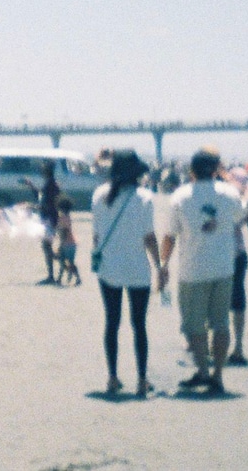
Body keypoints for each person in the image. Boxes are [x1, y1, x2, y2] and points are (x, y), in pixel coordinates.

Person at [155, 147, 244, 395]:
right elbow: (240, 217)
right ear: (216, 169)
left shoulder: (181, 196)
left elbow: (170, 236)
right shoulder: (230, 193)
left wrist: (163, 265)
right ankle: (217, 374)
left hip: (193, 270)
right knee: (221, 323)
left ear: (191, 171)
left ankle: (203, 371)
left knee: (194, 325)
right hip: (224, 267)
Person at [91, 150, 159, 398]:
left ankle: (112, 377)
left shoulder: (100, 195)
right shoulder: (144, 197)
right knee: (139, 324)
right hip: (138, 268)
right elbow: (149, 237)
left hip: (109, 267)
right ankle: (141, 379)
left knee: (112, 322)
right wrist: (159, 266)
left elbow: (97, 235)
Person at [37, 163, 62, 284]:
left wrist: (36, 207)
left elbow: (47, 204)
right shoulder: (53, 184)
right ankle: (53, 272)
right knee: (47, 246)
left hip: (49, 219)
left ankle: (51, 274)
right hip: (51, 218)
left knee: (47, 246)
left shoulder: (49, 185)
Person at [54, 196, 80, 285]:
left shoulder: (63, 218)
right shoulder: (67, 216)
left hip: (67, 243)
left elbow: (64, 231)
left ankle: (63, 278)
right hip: (72, 242)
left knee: (64, 261)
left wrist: (61, 244)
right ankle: (61, 278)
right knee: (68, 261)